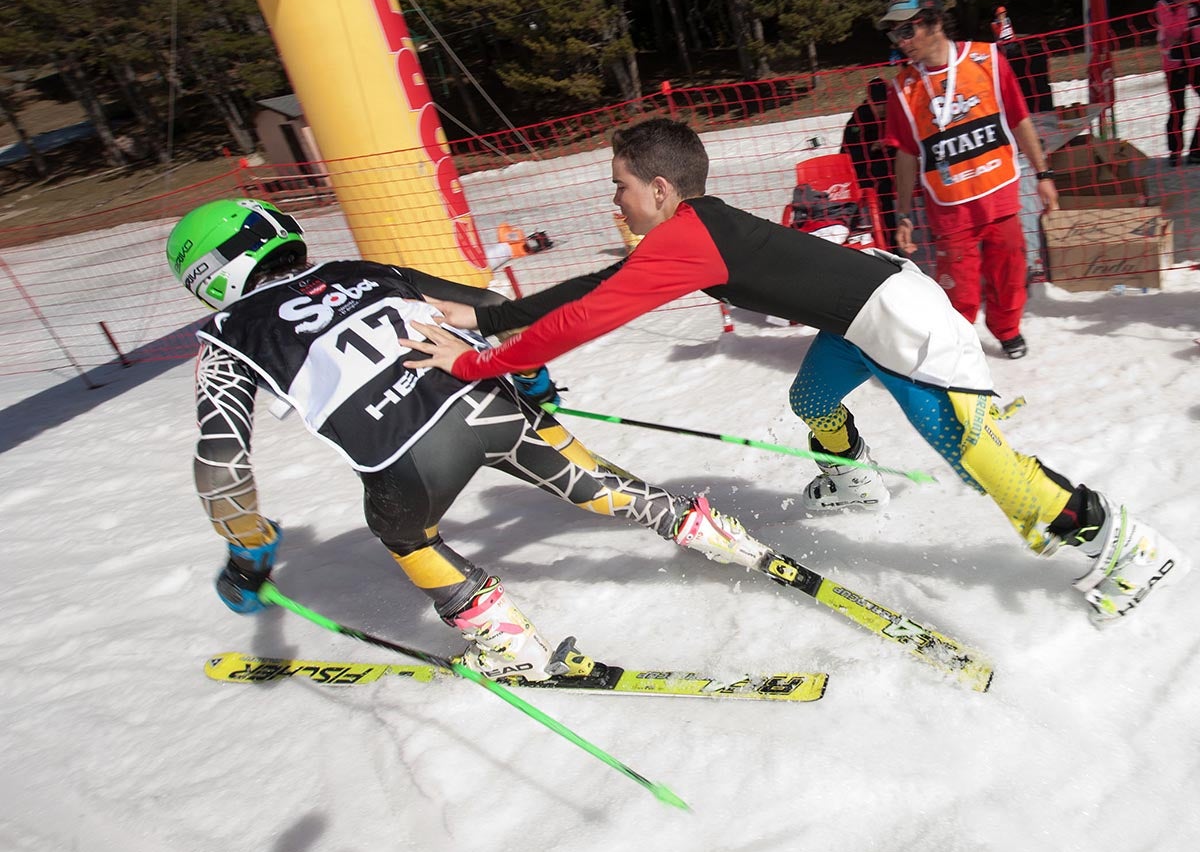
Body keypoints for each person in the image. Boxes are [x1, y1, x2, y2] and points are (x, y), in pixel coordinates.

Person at [400, 117, 1185, 625]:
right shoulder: (688, 232)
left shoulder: (684, 237)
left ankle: (1121, 543)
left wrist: (478, 363)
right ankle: (853, 477)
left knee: (978, 460)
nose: (617, 203)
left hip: (901, 320)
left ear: (661, 189)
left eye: (622, 188)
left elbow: (588, 316)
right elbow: (597, 289)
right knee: (812, 397)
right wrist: (489, 317)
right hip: (862, 308)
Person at [165, 198, 780, 682]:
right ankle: (712, 533)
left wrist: (249, 559)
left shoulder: (226, 335)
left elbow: (221, 466)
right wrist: (534, 380)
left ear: (209, 273)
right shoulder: (367, 269)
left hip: (406, 459)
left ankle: (508, 642)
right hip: (488, 403)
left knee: (405, 535)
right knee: (591, 484)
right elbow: (488, 306)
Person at [879, 0, 1059, 361]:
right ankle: (960, 343)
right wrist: (904, 213)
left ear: (934, 22)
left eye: (907, 29)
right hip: (949, 208)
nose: (900, 40)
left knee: (1009, 273)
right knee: (957, 288)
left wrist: (1044, 176)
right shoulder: (902, 89)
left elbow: (1020, 120)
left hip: (1000, 195)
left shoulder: (988, 60)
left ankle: (1008, 330)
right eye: (895, 32)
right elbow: (907, 155)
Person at [840, 76, 897, 246]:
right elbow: (848, 153)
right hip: (866, 167)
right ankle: (889, 241)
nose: (882, 108)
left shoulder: (896, 111)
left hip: (894, 162)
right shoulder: (859, 117)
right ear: (869, 101)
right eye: (878, 104)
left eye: (885, 103)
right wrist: (872, 147)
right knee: (881, 185)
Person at [1154, 0, 1200, 166]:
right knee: (1178, 108)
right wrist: (1183, 4)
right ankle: (1175, 151)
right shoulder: (1165, 4)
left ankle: (1196, 149)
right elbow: (1174, 31)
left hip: (1197, 60)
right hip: (1175, 64)